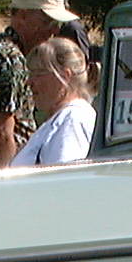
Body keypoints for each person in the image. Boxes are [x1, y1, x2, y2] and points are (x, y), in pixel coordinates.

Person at [0, 0, 83, 169]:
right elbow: (1, 134)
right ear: (23, 17)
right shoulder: (10, 60)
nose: (54, 31)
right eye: (47, 22)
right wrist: (9, 186)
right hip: (0, 171)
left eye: (57, 24)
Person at [13, 37, 96, 166]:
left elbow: (63, 179)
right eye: (30, 74)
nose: (29, 82)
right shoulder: (60, 120)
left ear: (64, 76)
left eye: (38, 74)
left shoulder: (72, 122)